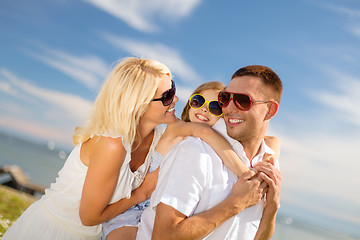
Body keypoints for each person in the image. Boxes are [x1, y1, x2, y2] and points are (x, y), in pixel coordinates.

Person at [2, 57, 180, 240]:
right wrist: (142, 193)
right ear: (138, 104)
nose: (176, 99)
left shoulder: (156, 136)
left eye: (173, 89)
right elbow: (89, 217)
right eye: (167, 96)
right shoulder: (112, 144)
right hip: (52, 233)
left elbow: (194, 130)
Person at [105, 81, 280, 239]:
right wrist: (250, 176)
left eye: (215, 107)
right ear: (189, 105)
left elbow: (273, 140)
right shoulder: (177, 127)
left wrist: (271, 156)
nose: (204, 109)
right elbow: (205, 133)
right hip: (135, 207)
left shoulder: (211, 145)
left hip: (161, 209)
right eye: (198, 101)